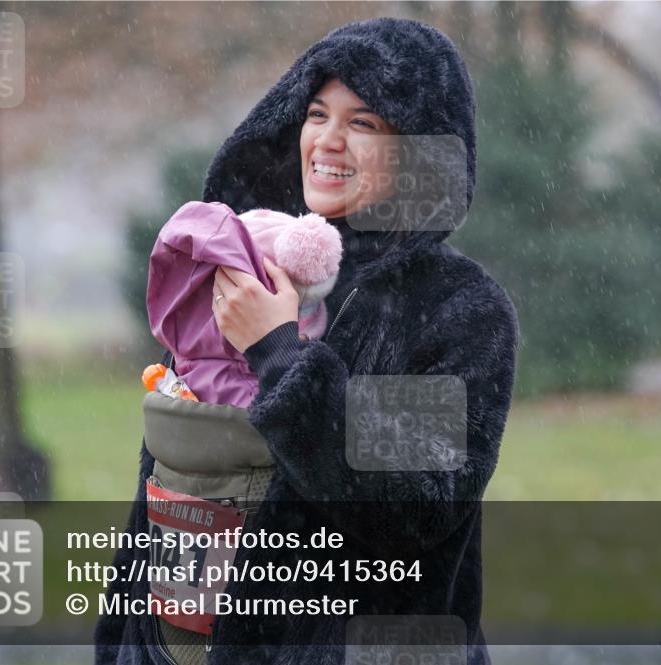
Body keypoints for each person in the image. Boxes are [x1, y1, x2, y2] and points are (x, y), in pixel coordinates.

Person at [95, 17, 519, 665]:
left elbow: (410, 513)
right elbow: (165, 477)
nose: (328, 139)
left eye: (364, 123)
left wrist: (277, 349)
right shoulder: (245, 268)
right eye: (317, 113)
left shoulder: (456, 307)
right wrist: (121, 644)